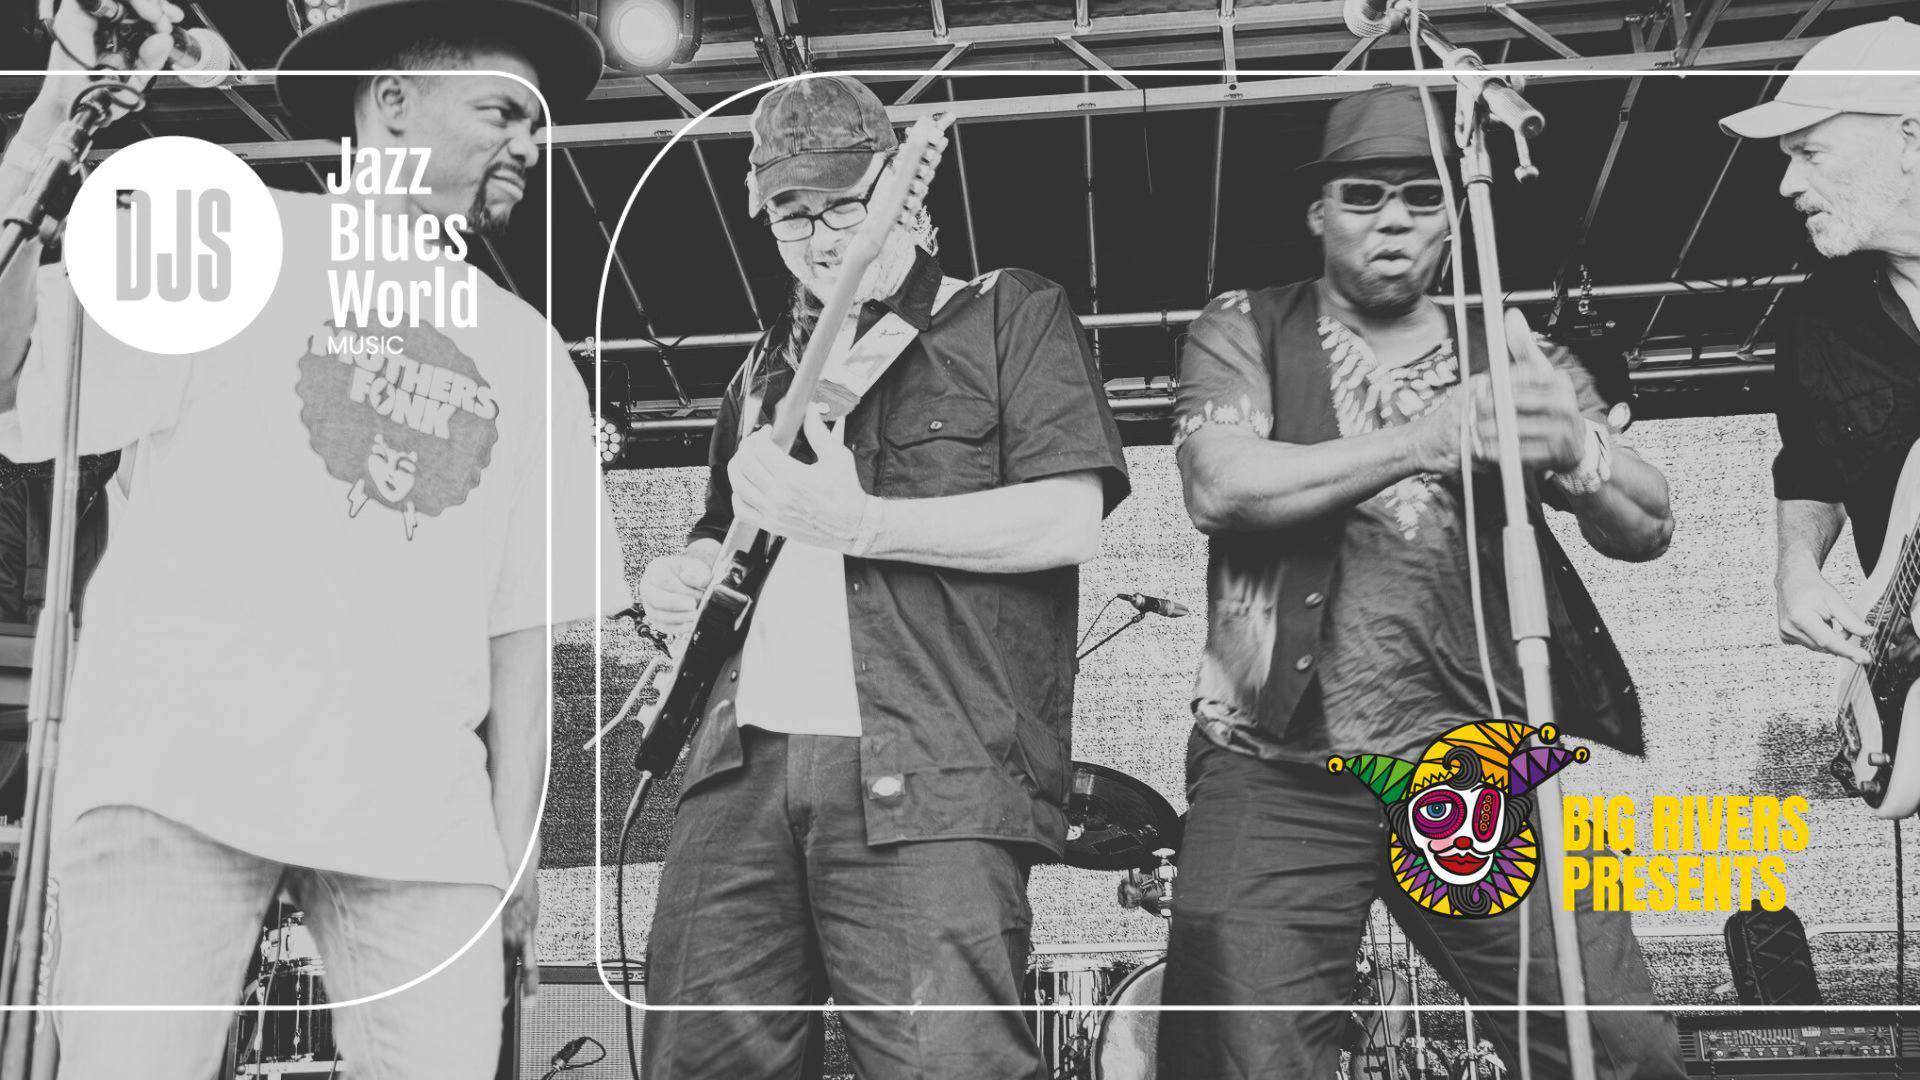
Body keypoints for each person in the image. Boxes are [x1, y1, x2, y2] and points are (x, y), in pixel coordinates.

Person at [0, 1, 626, 1076]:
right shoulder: (236, 238)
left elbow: (523, 631)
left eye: (538, 124)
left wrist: (514, 853)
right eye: (502, 112)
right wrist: (56, 113)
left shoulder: (530, 353)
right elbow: (8, 369)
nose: (531, 143)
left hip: (417, 811)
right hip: (174, 770)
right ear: (392, 103)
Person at [1155, 86, 1682, 1079]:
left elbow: (1649, 525)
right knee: (1240, 1057)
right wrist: (1422, 440)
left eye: (1420, 195)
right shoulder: (1245, 325)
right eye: (1363, 195)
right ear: (1319, 211)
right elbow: (1219, 486)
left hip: (1473, 767)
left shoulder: (1509, 347)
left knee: (1614, 1044)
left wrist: (1579, 450)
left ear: (1453, 214)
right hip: (1272, 763)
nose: (1392, 218)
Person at [634, 74, 1130, 1079]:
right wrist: (679, 575)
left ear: (906, 194)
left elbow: (1067, 517)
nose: (820, 237)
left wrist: (863, 522)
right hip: (737, 774)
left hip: (932, 768)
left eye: (843, 206)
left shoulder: (1007, 312)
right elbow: (723, 531)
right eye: (792, 214)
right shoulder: (760, 373)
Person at [1717, 18, 1920, 670]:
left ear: (1910, 137)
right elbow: (1813, 468)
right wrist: (1796, 570)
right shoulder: (1818, 316)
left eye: (1810, 153)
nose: (1787, 183)